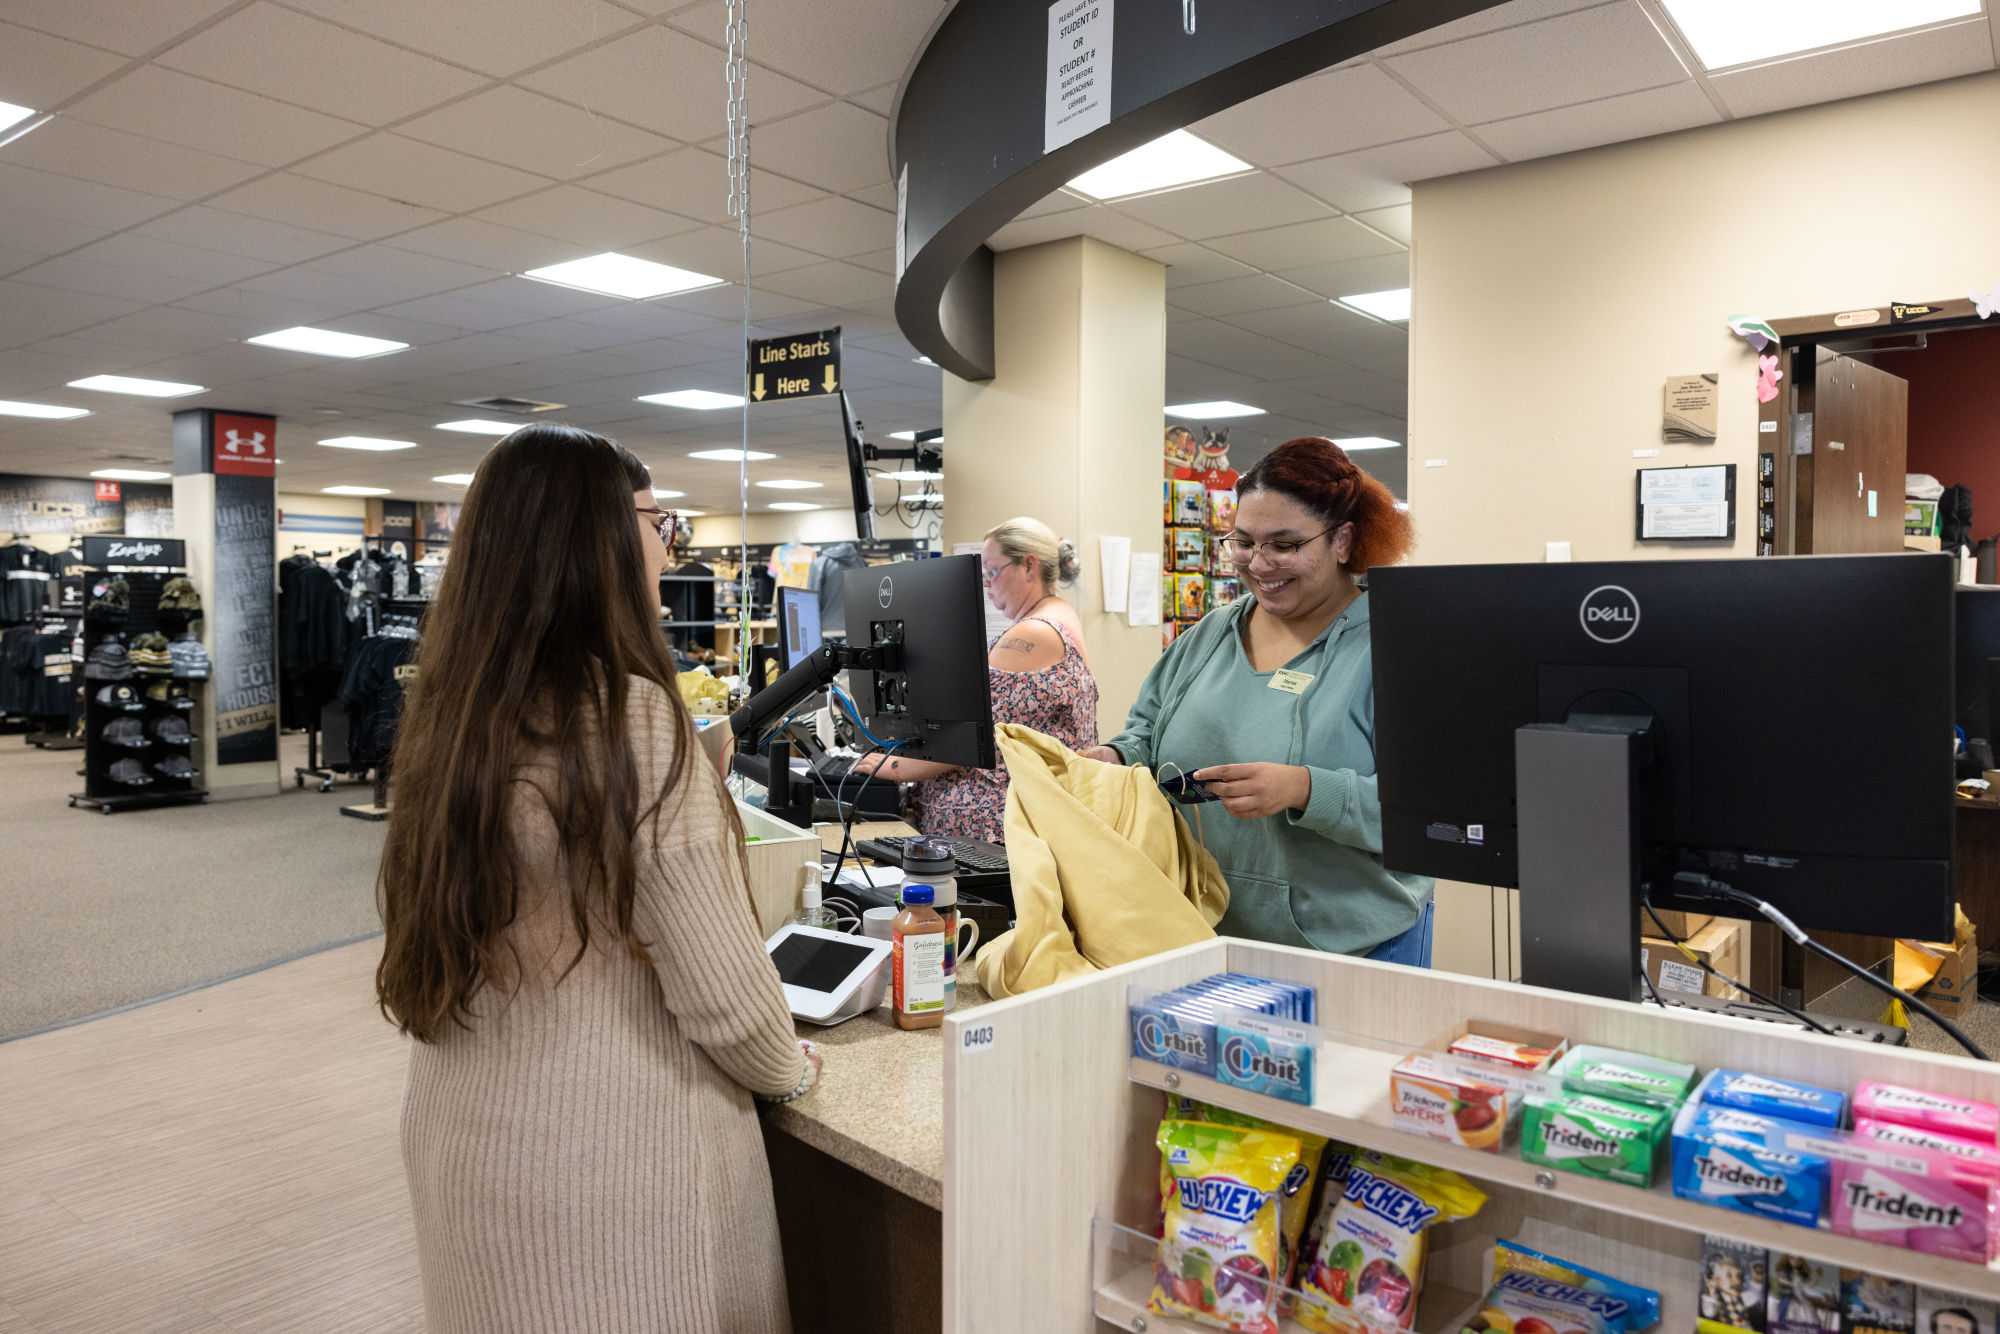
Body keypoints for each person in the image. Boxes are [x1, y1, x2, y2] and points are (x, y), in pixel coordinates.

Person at [375, 423, 817, 1334]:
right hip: (611, 1179)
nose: (666, 546)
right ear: (602, 540)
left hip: (469, 1144)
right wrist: (789, 1070)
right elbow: (728, 1000)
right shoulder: (633, 720)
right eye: (658, 521)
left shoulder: (458, 718)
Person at [1079, 437, 1433, 962]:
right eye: (1243, 542)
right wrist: (1116, 757)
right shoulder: (1211, 635)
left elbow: (1431, 815)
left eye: (1284, 545)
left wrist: (1306, 790)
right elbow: (1146, 733)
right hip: (1202, 934)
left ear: (1343, 540)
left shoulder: (1396, 648)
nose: (1259, 564)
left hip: (1352, 948)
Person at [853, 517, 1098, 842]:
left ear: (1029, 566)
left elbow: (966, 737)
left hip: (995, 833)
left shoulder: (1034, 633)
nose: (986, 584)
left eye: (992, 572)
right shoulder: (1058, 616)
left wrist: (893, 766)